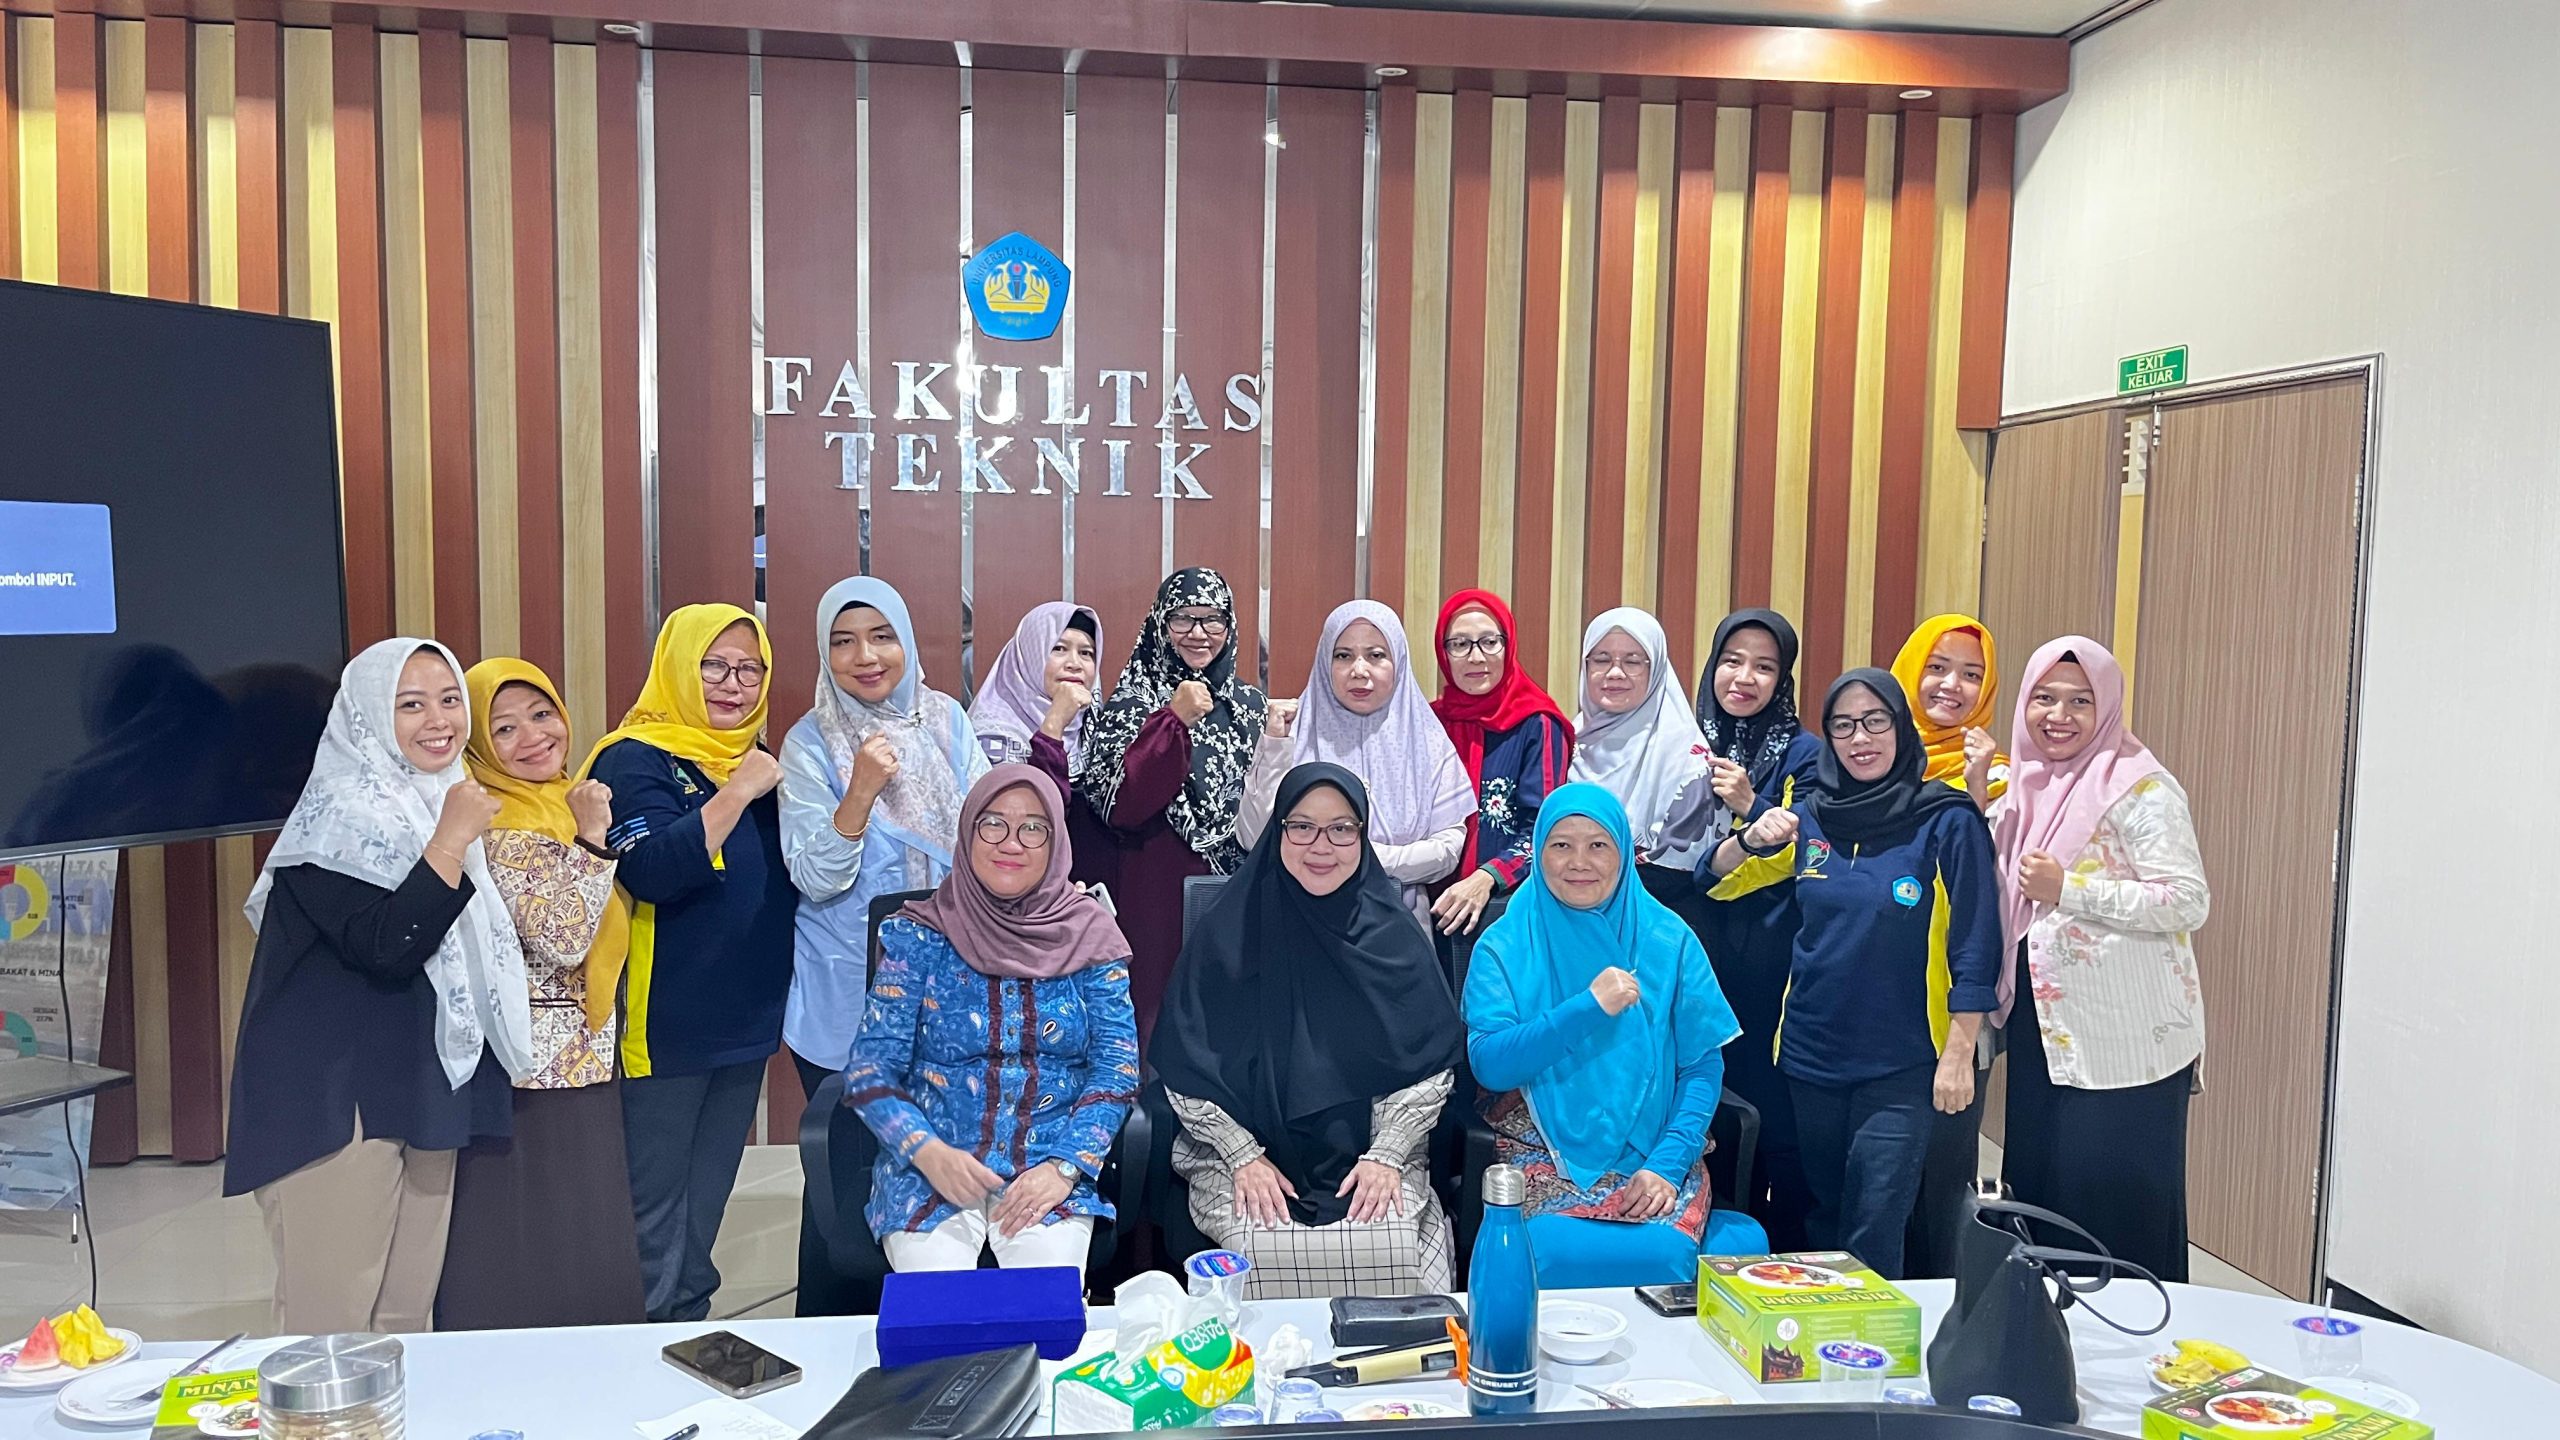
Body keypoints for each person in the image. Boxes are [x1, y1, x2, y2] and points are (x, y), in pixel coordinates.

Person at [224, 638, 531, 1335]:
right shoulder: (336, 820)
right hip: (339, 1100)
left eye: (449, 699)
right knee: (329, 1322)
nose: (439, 720)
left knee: (405, 1317)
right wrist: (450, 839)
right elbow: (387, 946)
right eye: (410, 704)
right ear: (365, 715)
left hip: (423, 1083)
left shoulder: (436, 800)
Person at [1707, 670, 2001, 1280]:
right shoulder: (1813, 817)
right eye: (1843, 726)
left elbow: (1976, 940)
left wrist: (1960, 1051)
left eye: (1875, 722)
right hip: (1810, 1054)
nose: (1859, 738)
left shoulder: (1947, 818)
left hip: (1903, 1061)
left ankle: (1872, 1339)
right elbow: (1721, 881)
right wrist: (1749, 837)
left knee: (1875, 1220)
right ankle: (1822, 1333)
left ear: (1900, 726)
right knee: (1820, 1215)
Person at [1154, 763, 1465, 1298]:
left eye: (1341, 828)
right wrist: (1242, 1155)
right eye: (1301, 827)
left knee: (1392, 1241)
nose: (1321, 846)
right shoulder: (1228, 934)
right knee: (1256, 1244)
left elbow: (1429, 1067)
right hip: (1242, 1154)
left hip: (1377, 1148)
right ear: (1277, 831)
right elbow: (1188, 1066)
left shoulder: (1394, 940)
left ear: (1363, 836)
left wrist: (1387, 1154)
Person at [584, 604, 796, 1323]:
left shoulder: (755, 758)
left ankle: (686, 1325)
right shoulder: (634, 757)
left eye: (750, 669)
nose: (733, 684)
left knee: (705, 1202)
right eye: (714, 666)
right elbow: (650, 870)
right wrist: (737, 793)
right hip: (665, 1020)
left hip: (745, 1019)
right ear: (677, 665)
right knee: (653, 1208)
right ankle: (637, 1342)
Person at [779, 576, 985, 1313]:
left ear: (907, 641)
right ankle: (836, 1328)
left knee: (937, 1168)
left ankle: (936, 1319)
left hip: (948, 987)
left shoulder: (947, 721)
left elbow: (984, 836)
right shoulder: (810, 742)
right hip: (847, 992)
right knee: (847, 1174)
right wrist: (861, 789)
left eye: (881, 637)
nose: (865, 656)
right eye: (843, 642)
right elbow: (816, 875)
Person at [845, 765, 1141, 1273]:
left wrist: (1065, 1167)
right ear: (967, 833)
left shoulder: (1090, 935)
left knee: (1042, 1308)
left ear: (1056, 842)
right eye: (993, 824)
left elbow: (1117, 1070)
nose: (1012, 843)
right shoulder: (917, 936)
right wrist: (927, 1152)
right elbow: (869, 1070)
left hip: (1047, 1168)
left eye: (1033, 828)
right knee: (941, 1308)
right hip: (932, 1168)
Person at [1465, 783, 1759, 1289]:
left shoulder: (1669, 937)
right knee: (1550, 1250)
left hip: (1657, 1145)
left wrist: (1668, 1165)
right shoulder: (1505, 943)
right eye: (1561, 845)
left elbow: (1701, 1066)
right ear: (1538, 852)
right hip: (1543, 1143)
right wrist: (1587, 1008)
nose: (1579, 862)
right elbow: (1491, 1064)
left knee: (1666, 1252)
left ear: (1623, 852)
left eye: (1598, 845)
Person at [435, 658, 648, 1329]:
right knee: (530, 1235)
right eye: (504, 727)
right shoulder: (493, 820)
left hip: (582, 1054)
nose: (532, 736)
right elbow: (562, 936)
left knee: (586, 1225)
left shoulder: (559, 800)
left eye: (541, 714)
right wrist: (592, 839)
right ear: (477, 742)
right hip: (530, 1065)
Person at [1993, 637, 2210, 1281]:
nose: (2059, 716)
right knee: (2044, 1198)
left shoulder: (2140, 787)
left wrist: (2071, 889)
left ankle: (2136, 1337)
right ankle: (2047, 1335)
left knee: (2117, 1212)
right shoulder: (2022, 785)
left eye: (2080, 702)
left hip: (2127, 1044)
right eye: (2044, 698)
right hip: (2045, 1035)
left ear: (2108, 707)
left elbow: (2186, 899)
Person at [1075, 568, 1268, 1048]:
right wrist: (1172, 721)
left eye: (1213, 619)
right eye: (1183, 618)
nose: (1198, 633)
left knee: (1231, 1024)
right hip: (1156, 886)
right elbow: (1120, 805)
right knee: (1157, 1023)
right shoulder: (1132, 702)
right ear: (1160, 624)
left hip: (1236, 888)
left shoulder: (1249, 705)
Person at [1691, 608, 1825, 1251]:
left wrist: (1750, 803)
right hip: (1694, 940)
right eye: (1732, 661)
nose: (1744, 677)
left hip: (1770, 953)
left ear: (1783, 679)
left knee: (1772, 1107)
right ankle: (1706, 1234)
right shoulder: (1682, 739)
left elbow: (1814, 845)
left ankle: (1781, 1248)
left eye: (1764, 667)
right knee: (1701, 1093)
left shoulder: (1805, 753)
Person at [1888, 613, 2009, 1276]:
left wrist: (1975, 788)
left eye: (1971, 674)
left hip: (1954, 1006)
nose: (1951, 686)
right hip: (1876, 1002)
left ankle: (1945, 1311)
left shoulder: (2000, 774)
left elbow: (1994, 891)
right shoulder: (1866, 761)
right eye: (1936, 667)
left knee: (1940, 1175)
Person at [1240, 599, 1475, 918]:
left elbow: (1447, 849)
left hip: (1399, 921)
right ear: (1325, 662)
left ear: (1398, 661)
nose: (1359, 670)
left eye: (1376, 655)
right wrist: (1273, 747)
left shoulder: (1427, 740)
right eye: (1343, 656)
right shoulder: (1292, 733)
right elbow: (1254, 838)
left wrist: (1353, 854)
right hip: (1299, 917)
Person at [1424, 589, 1575, 938]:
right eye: (1460, 644)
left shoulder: (1538, 724)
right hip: (1429, 906)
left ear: (1508, 646)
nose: (1476, 657)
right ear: (1443, 653)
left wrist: (1487, 877)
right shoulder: (1429, 722)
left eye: (1489, 642)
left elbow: (1545, 827)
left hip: (1506, 908)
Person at [1569, 607, 1720, 914]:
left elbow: (1678, 870)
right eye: (1601, 659)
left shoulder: (1686, 756)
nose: (1615, 672)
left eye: (1633, 661)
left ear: (1657, 669)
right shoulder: (1569, 740)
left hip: (1657, 918)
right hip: (1568, 914)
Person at [970, 600, 1117, 889]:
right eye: (1058, 649)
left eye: (1086, 653)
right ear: (1030, 654)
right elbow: (1026, 819)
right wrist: (1053, 725)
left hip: (1087, 893)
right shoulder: (993, 735)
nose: (1074, 663)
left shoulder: (1098, 727)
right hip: (1017, 889)